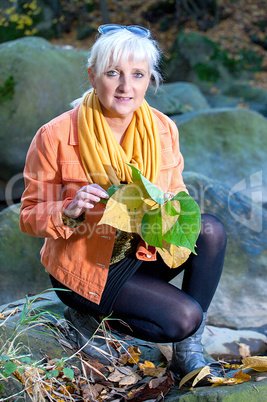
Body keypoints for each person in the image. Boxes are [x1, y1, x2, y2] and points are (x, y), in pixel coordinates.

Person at [20, 24, 227, 382]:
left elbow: (177, 193)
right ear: (92, 76)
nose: (125, 87)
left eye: (137, 75)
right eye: (112, 73)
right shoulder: (55, 134)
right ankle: (86, 318)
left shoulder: (162, 129)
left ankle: (188, 352)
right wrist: (68, 209)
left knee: (210, 231)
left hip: (142, 252)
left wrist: (169, 208)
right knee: (183, 318)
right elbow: (28, 214)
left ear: (150, 80)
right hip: (85, 268)